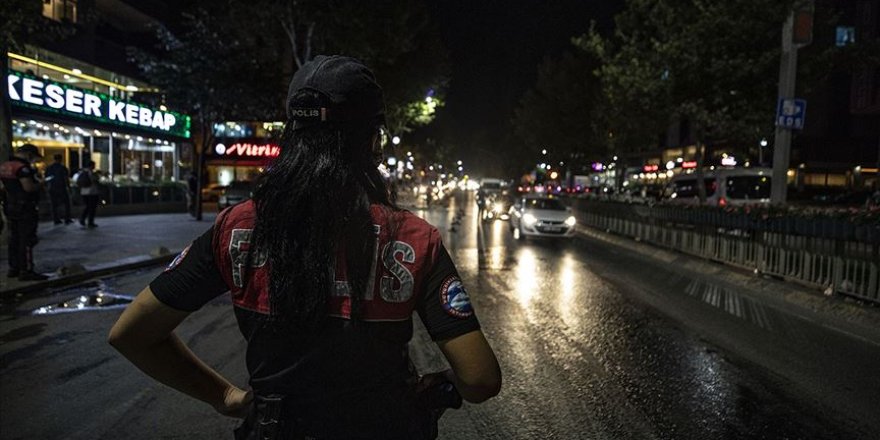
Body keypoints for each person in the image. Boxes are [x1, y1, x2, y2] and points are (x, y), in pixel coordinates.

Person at [109, 55, 501, 440]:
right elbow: (480, 379)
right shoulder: (413, 239)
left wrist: (224, 396)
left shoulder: (237, 227)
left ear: (291, 133)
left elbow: (132, 334)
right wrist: (442, 384)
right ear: (373, 138)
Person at [0, 144, 49, 280]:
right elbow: (28, 187)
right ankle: (26, 270)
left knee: (14, 238)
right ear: (29, 155)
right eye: (33, 157)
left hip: (10, 206)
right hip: (25, 207)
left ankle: (13, 268)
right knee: (27, 239)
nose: (34, 160)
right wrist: (41, 184)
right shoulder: (23, 168)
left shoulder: (5, 166)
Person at [45, 154, 74, 225]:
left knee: (54, 205)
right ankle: (67, 218)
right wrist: (69, 187)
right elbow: (65, 179)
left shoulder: (49, 168)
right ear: (61, 159)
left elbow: (46, 178)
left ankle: (56, 219)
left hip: (52, 188)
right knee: (66, 204)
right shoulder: (63, 168)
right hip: (62, 188)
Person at [74, 160, 99, 228]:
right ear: (91, 166)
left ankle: (82, 218)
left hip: (84, 192)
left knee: (87, 206)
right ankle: (90, 222)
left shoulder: (82, 172)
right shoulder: (90, 172)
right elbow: (94, 180)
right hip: (92, 192)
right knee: (92, 208)